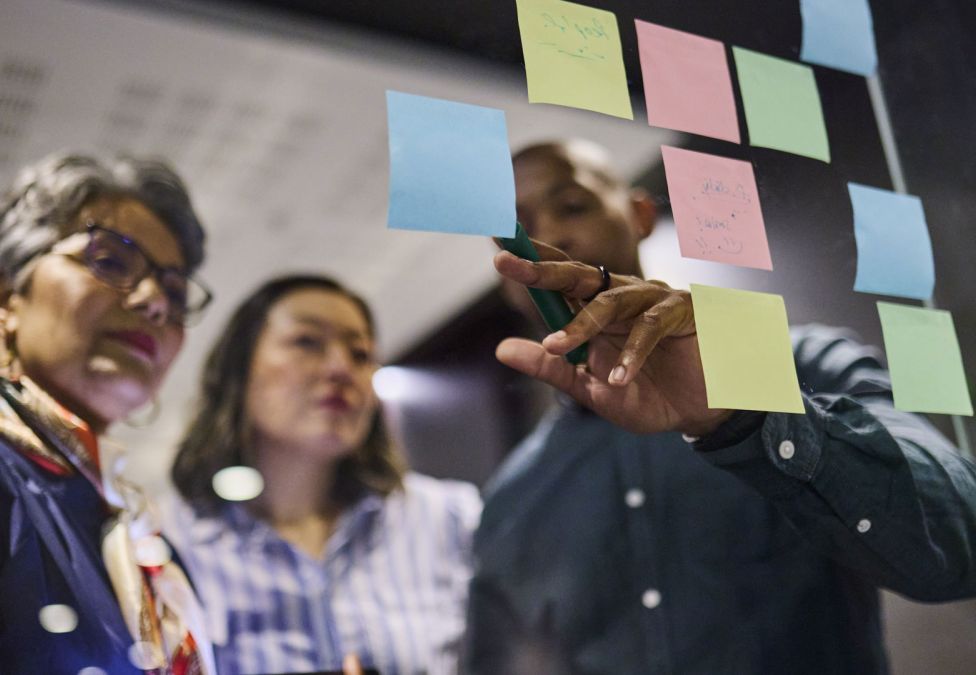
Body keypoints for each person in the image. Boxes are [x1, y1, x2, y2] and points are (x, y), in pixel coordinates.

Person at [465, 139, 976, 674]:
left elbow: (960, 535)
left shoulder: (800, 362)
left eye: (572, 206)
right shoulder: (512, 502)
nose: (548, 237)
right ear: (505, 272)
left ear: (641, 215)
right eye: (517, 229)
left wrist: (746, 416)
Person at [164, 274, 482, 675]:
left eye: (360, 353)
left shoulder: (450, 518)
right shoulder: (171, 542)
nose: (340, 368)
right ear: (239, 370)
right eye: (307, 342)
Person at [0, 152, 216, 673]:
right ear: (8, 296)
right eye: (111, 261)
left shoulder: (141, 536)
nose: (154, 302)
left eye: (175, 291)